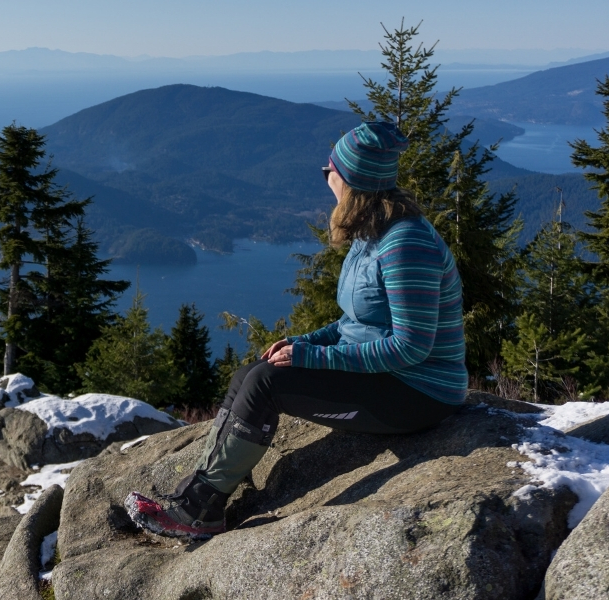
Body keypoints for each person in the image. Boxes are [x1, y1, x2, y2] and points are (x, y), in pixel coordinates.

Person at [125, 121, 467, 540]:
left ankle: (199, 513)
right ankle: (196, 497)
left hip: (419, 392)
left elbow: (411, 347)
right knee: (249, 374)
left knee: (267, 384)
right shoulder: (372, 233)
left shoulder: (405, 243)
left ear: (350, 179)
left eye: (330, 169)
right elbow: (355, 323)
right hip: (389, 377)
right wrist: (306, 342)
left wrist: (312, 357)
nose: (326, 176)